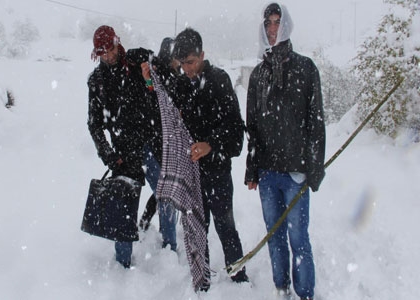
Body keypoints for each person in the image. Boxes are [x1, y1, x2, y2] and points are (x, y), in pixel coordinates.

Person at [245, 3, 325, 300]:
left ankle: (305, 294)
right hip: (268, 173)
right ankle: (281, 289)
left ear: (287, 25)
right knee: (274, 236)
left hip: (296, 172)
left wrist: (314, 168)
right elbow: (252, 127)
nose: (273, 29)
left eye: (278, 22)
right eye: (269, 24)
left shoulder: (305, 69)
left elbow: (316, 122)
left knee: (298, 237)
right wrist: (252, 168)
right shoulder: (258, 75)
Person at [171, 27, 249, 284]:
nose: (187, 69)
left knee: (225, 227)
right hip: (192, 175)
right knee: (196, 230)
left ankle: (238, 278)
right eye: (182, 64)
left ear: (202, 55)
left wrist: (210, 145)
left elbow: (236, 132)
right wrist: (149, 80)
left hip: (217, 171)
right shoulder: (181, 84)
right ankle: (201, 278)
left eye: (191, 62)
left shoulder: (218, 80)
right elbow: (161, 104)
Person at [87, 25, 152, 268]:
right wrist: (109, 156)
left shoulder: (135, 62)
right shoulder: (97, 82)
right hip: (123, 155)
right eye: (102, 52)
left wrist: (149, 66)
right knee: (123, 212)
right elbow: (94, 125)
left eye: (111, 49)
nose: (109, 55)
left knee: (167, 193)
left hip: (151, 143)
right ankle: (123, 266)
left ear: (118, 43)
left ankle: (169, 251)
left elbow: (157, 86)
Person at [139, 37, 179, 252]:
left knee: (162, 193)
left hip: (161, 146)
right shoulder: (159, 74)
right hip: (154, 147)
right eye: (176, 57)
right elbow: (153, 104)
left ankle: (144, 225)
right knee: (166, 195)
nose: (179, 62)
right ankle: (169, 246)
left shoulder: (170, 74)